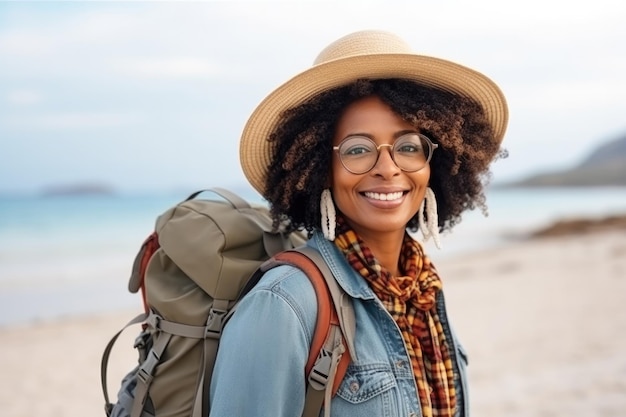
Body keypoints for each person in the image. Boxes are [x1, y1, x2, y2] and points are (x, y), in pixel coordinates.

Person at [209, 30, 508, 417]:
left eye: (408, 146)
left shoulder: (422, 290)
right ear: (321, 169)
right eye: (357, 150)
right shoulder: (284, 304)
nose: (388, 168)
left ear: (435, 162)